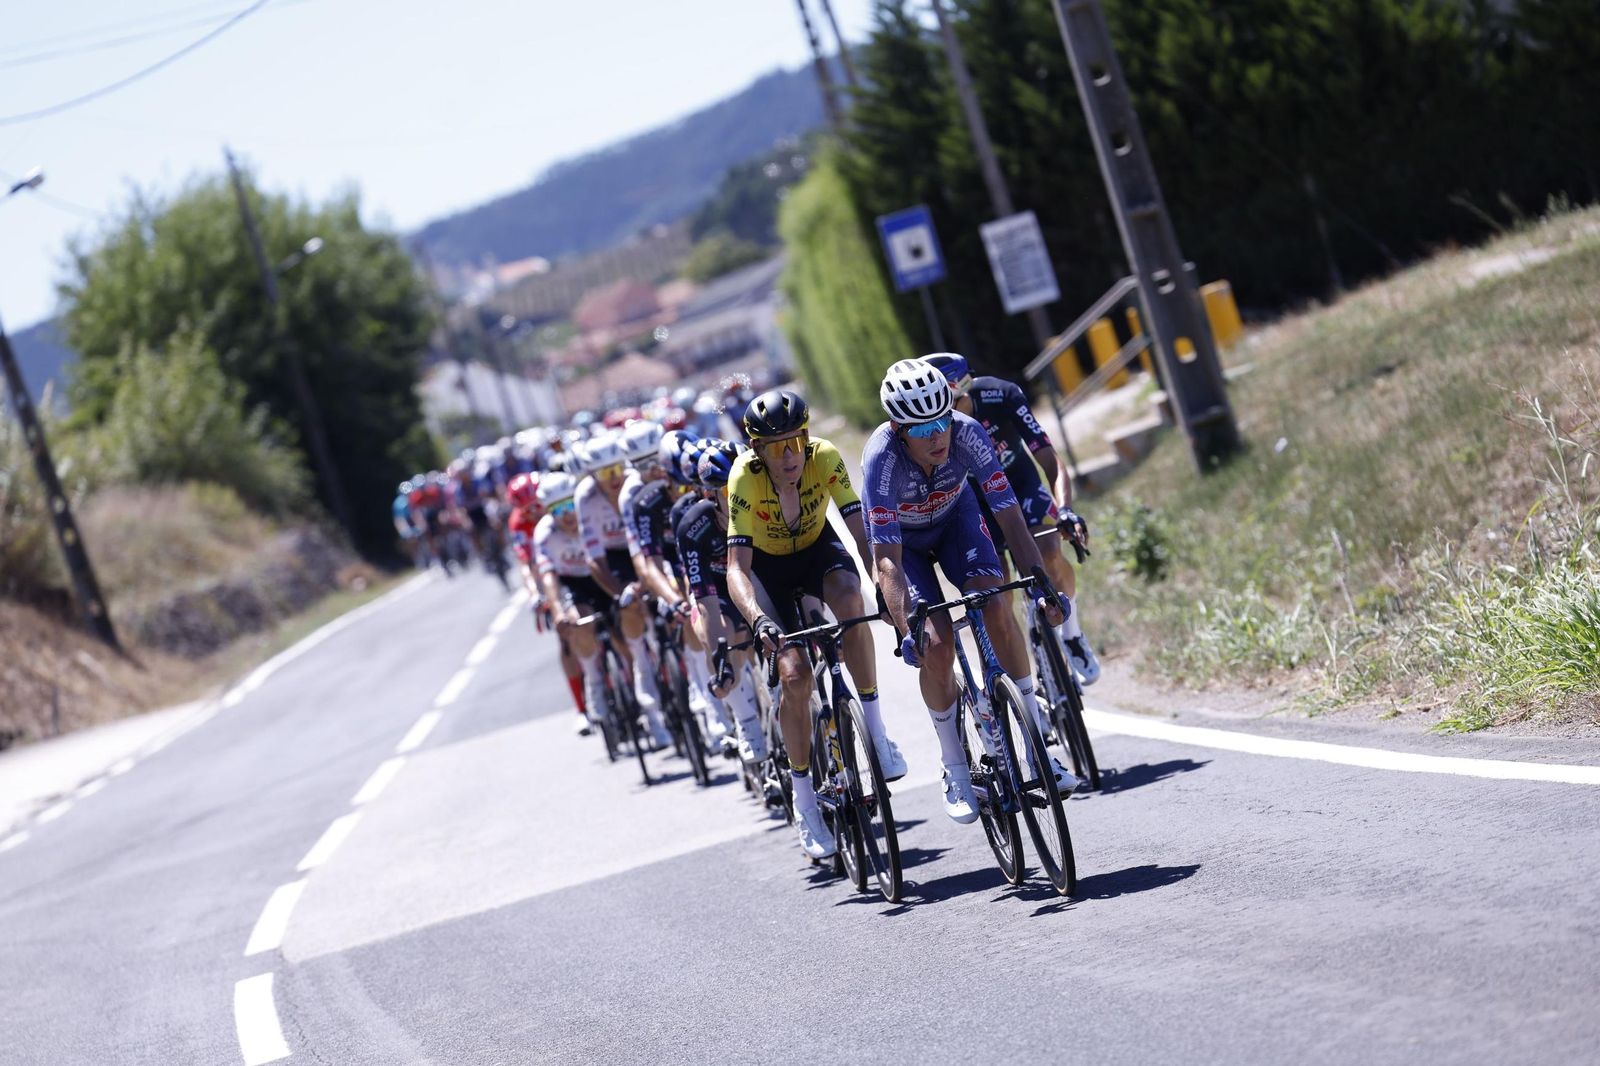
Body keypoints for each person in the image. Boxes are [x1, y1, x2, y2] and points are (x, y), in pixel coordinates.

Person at [863, 358, 1077, 826]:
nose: (939, 436)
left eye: (943, 420)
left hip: (957, 523)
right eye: (924, 429)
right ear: (900, 429)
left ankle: (1037, 743)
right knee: (936, 645)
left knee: (997, 602)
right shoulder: (881, 459)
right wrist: (908, 624)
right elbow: (885, 560)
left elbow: (1007, 513)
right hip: (905, 547)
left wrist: (1039, 581)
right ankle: (954, 767)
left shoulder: (967, 433)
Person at [725, 388, 905, 861]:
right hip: (768, 570)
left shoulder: (823, 457)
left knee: (851, 599)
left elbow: (862, 530)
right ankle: (805, 802)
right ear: (757, 451)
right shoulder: (743, 478)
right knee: (795, 675)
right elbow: (736, 569)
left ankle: (876, 731)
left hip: (816, 550)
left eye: (796, 441)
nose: (789, 455)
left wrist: (882, 586)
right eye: (776, 446)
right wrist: (759, 619)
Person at [923, 353, 1100, 686]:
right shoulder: (930, 434)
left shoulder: (1001, 395)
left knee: (1048, 551)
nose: (943, 421)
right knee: (997, 596)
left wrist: (1064, 509)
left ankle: (1072, 634)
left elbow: (1049, 458)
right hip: (976, 506)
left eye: (948, 406)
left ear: (964, 390)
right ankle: (1023, 690)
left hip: (1019, 486)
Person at [616, 420, 730, 746]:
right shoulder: (637, 497)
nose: (652, 470)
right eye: (643, 466)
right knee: (682, 610)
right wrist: (673, 597)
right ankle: (697, 684)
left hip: (693, 550)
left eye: (655, 461)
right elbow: (645, 561)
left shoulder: (694, 478)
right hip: (663, 559)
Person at [573, 432, 672, 746]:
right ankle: (642, 665)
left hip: (643, 546)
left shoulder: (633, 483)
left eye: (617, 469)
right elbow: (594, 560)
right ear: (592, 475)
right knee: (627, 606)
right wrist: (621, 592)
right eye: (605, 473)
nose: (613, 478)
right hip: (611, 558)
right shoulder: (585, 498)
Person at [682, 439, 768, 763]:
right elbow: (703, 598)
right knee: (718, 635)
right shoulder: (694, 526)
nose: (739, 499)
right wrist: (719, 657)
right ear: (709, 495)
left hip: (758, 579)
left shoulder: (764, 506)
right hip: (716, 589)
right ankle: (746, 720)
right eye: (728, 493)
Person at [506, 471, 588, 734]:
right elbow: (526, 564)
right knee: (565, 642)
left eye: (535, 507)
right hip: (549, 572)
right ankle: (581, 708)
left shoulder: (560, 508)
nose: (532, 513)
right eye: (526, 509)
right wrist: (534, 594)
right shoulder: (519, 524)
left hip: (574, 563)